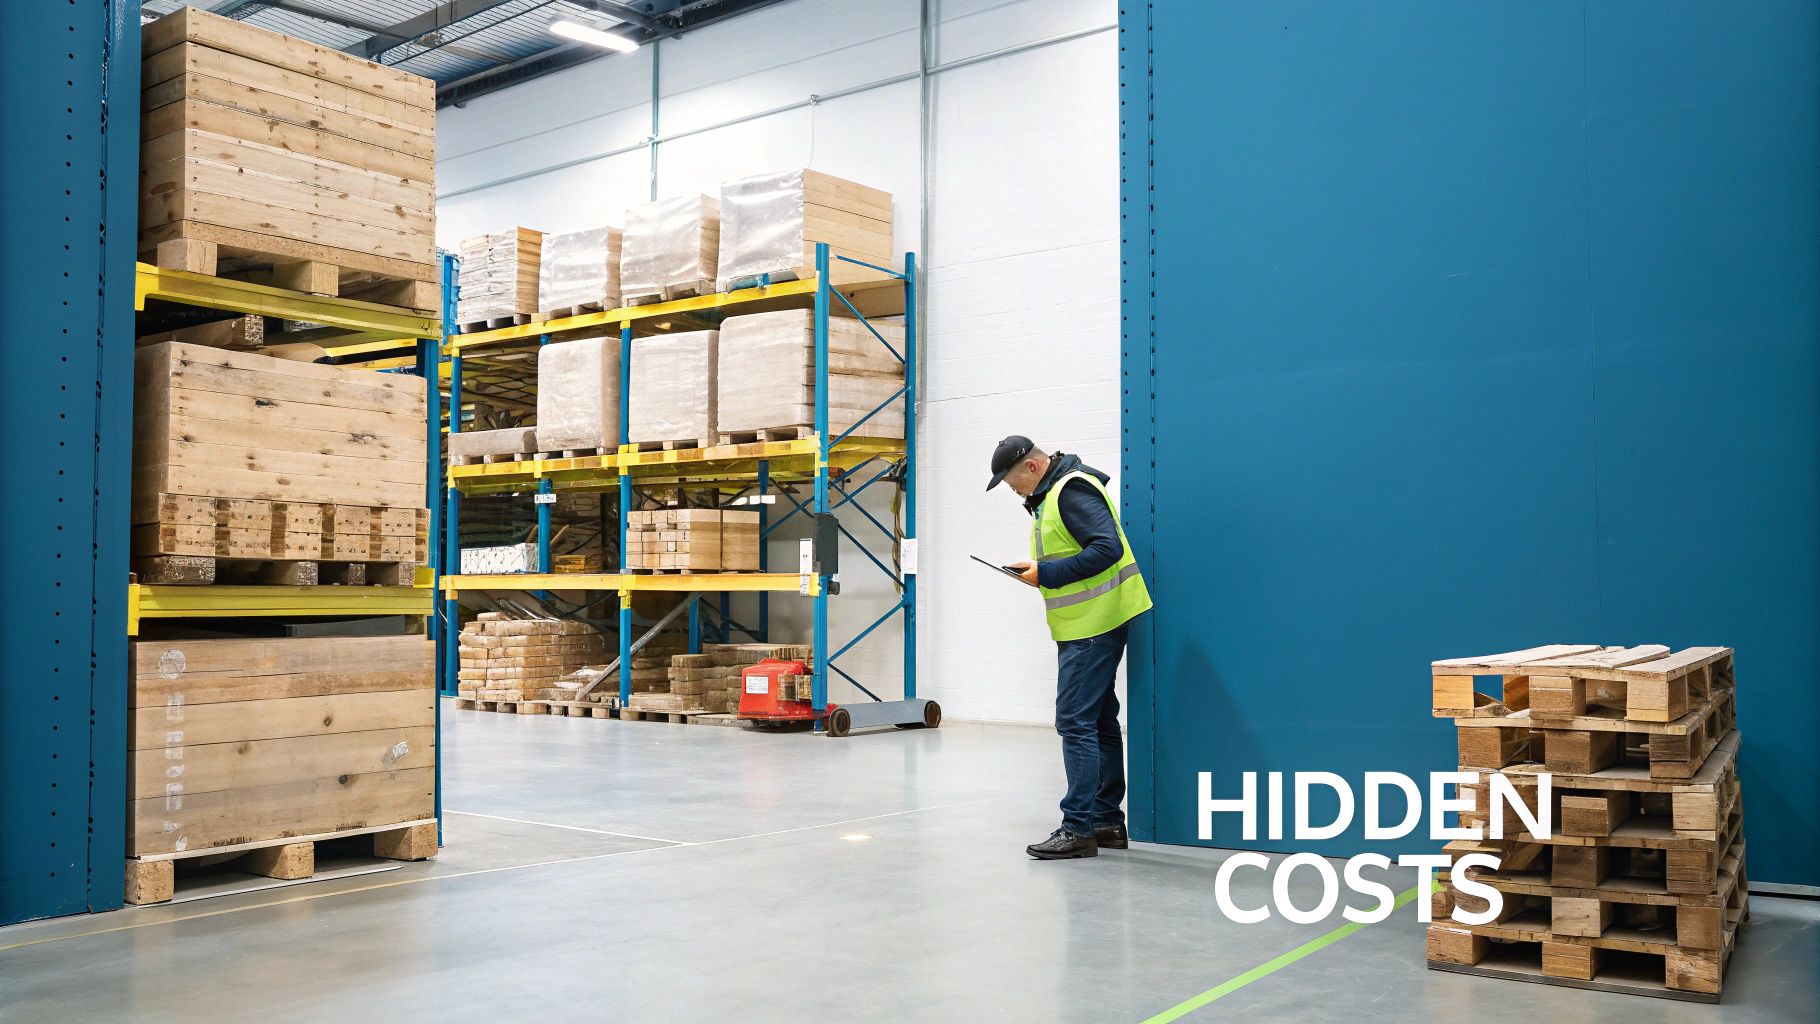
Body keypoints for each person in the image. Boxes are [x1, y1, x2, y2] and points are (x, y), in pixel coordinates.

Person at [988, 435, 1153, 860]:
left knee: (1074, 722)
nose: (1014, 492)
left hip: (1092, 624)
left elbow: (1107, 549)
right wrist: (1040, 571)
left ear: (1032, 468)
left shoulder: (1070, 489)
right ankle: (1106, 822)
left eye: (1012, 484)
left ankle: (1077, 827)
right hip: (1092, 621)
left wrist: (1044, 573)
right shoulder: (1055, 493)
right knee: (1098, 721)